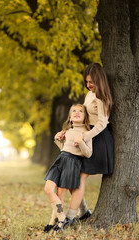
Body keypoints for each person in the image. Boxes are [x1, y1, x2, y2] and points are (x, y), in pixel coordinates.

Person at [67, 62, 114, 221]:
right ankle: (84, 211)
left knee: (79, 177)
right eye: (86, 82)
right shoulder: (89, 94)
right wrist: (68, 131)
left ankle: (69, 217)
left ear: (99, 80)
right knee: (71, 175)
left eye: (91, 82)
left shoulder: (101, 97)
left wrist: (84, 137)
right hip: (85, 137)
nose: (88, 85)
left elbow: (102, 123)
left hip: (98, 139)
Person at [44, 104, 93, 233]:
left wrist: (81, 142)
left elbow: (88, 153)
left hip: (72, 162)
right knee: (48, 188)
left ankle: (54, 221)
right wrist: (57, 139)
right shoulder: (67, 130)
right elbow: (64, 148)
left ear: (85, 117)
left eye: (80, 111)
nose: (77, 112)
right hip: (61, 159)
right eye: (74, 111)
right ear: (70, 117)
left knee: (61, 193)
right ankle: (61, 218)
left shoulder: (86, 133)